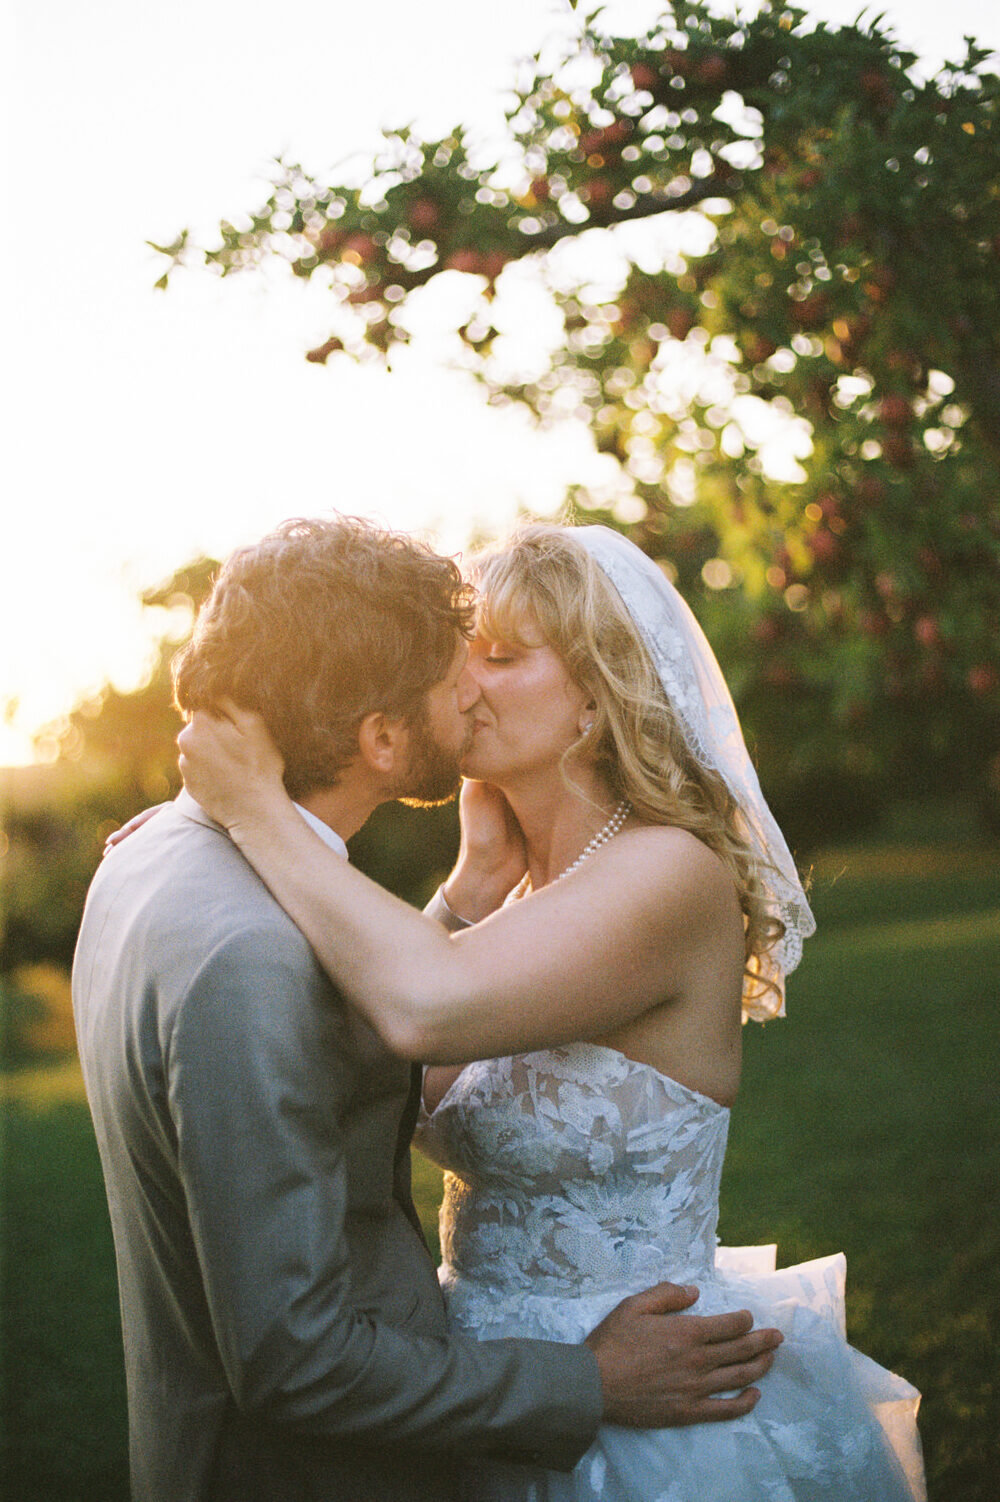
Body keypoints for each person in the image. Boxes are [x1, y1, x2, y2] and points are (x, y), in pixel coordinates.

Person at [175, 522, 927, 1502]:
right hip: (501, 1400)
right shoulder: (523, 895)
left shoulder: (668, 875)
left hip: (651, 1422)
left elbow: (417, 1008)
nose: (461, 684)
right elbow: (377, 1065)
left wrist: (258, 813)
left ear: (595, 691)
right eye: (460, 656)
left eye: (500, 656)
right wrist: (477, 875)